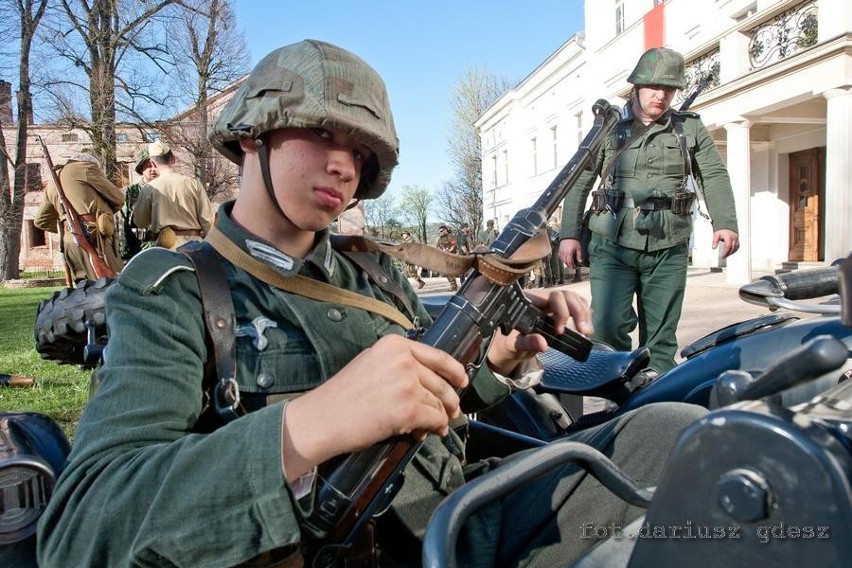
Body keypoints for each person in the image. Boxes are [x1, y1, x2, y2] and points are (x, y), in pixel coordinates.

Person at [38, 39, 705, 567]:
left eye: (359, 152)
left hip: (466, 517)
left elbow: (427, 402)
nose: (343, 166)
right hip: (336, 553)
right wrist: (307, 427)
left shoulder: (374, 275)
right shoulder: (176, 288)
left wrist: (495, 361)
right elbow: (82, 529)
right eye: (323, 135)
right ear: (252, 136)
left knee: (680, 433)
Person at [559, 47, 739, 373]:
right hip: (612, 240)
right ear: (637, 86)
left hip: (668, 243)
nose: (661, 95)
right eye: (654, 87)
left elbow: (712, 174)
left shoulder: (689, 128)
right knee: (609, 326)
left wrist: (725, 222)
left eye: (669, 89)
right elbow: (580, 178)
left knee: (661, 339)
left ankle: (653, 409)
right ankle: (618, 400)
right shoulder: (608, 127)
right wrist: (568, 234)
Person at [33, 151, 125, 282]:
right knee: (113, 286)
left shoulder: (53, 183)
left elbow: (41, 221)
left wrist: (70, 229)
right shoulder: (86, 167)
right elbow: (118, 198)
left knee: (85, 290)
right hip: (94, 238)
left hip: (70, 243)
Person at [132, 140, 214, 250]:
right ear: (173, 159)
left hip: (164, 249)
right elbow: (208, 222)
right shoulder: (194, 184)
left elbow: (140, 222)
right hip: (195, 248)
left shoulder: (149, 189)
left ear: (153, 163)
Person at [117, 146, 159, 260]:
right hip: (139, 250)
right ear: (141, 169)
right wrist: (124, 253)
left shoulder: (169, 190)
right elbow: (122, 222)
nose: (153, 169)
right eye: (148, 166)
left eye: (156, 165)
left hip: (165, 249)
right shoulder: (131, 192)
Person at [435, 223, 459, 291]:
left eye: (442, 231)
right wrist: (442, 250)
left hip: (451, 256)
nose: (440, 232)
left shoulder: (451, 236)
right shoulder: (440, 238)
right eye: (440, 231)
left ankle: (453, 286)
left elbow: (454, 245)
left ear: (446, 230)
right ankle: (453, 285)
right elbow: (437, 246)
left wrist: (448, 251)